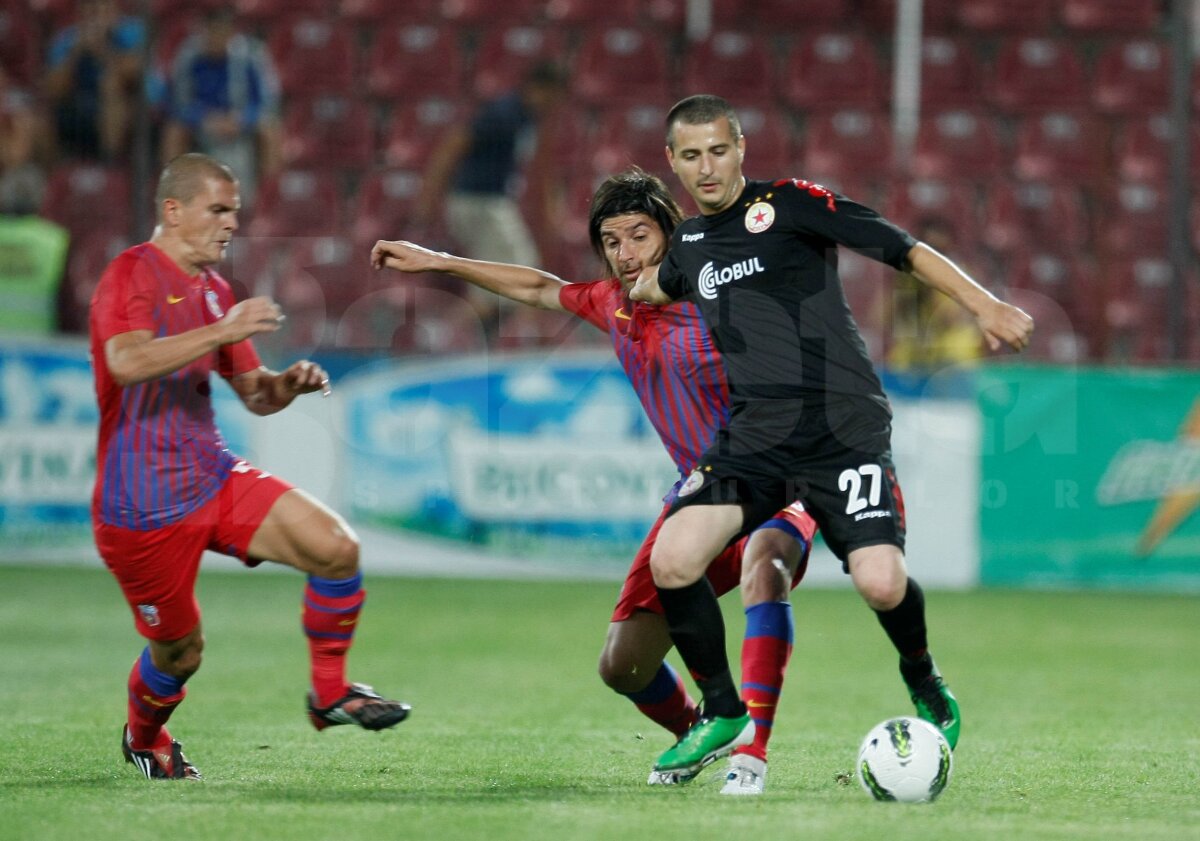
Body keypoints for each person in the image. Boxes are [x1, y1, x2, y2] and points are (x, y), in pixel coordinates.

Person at [371, 167, 818, 796]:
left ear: (671, 233)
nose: (626, 253)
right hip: (701, 492)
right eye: (612, 241)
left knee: (765, 565)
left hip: (776, 476)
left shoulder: (719, 298)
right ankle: (704, 732)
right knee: (624, 665)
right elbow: (536, 286)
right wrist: (440, 260)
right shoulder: (614, 303)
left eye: (639, 235)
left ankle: (752, 748)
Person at [628, 95, 1035, 781]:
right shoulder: (689, 248)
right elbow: (653, 286)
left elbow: (901, 248)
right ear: (671, 162)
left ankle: (924, 677)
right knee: (673, 557)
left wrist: (984, 304)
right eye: (690, 155)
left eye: (718, 150)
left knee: (880, 582)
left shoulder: (789, 205)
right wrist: (619, 285)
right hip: (755, 437)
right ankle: (723, 711)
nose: (706, 167)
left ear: (741, 147)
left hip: (841, 428)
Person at [89, 153, 409, 781]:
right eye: (218, 209)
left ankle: (329, 693)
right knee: (180, 653)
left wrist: (285, 383)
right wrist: (222, 330)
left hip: (212, 476)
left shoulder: (215, 291)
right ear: (172, 211)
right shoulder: (130, 275)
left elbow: (254, 394)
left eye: (235, 210)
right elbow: (124, 362)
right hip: (140, 508)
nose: (231, 222)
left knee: (336, 549)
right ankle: (143, 734)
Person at [410, 61, 566, 319]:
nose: (555, 103)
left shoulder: (526, 118)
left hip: (487, 203)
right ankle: (452, 339)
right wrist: (427, 198)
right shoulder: (504, 113)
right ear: (540, 88)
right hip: (480, 203)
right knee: (528, 279)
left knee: (496, 285)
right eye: (553, 95)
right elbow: (452, 146)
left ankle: (456, 339)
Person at [161, 8, 282, 203]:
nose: (216, 38)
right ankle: (175, 200)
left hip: (240, 122)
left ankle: (269, 201)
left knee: (270, 129)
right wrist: (204, 118)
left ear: (231, 33)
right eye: (211, 32)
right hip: (202, 123)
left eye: (221, 32)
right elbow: (177, 102)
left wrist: (242, 119)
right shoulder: (188, 56)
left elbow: (268, 101)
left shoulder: (251, 55)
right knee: (174, 131)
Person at [43, 0, 143, 161]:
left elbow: (136, 72)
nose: (98, 18)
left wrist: (103, 50)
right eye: (91, 11)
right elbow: (54, 90)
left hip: (130, 104)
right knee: (42, 116)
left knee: (111, 84)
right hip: (77, 105)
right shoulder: (67, 38)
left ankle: (111, 162)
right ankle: (54, 175)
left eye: (103, 9)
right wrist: (75, 54)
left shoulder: (133, 30)